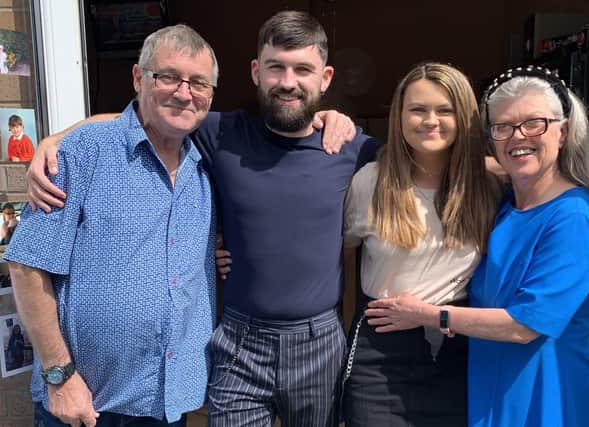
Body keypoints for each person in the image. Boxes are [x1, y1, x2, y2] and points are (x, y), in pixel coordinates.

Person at [24, 11, 378, 427]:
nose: (287, 81)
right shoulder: (218, 133)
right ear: (255, 71)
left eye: (303, 69)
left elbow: (422, 164)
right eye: (275, 67)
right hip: (238, 342)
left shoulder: (351, 146)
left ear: (326, 77)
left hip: (318, 341)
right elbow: (143, 117)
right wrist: (55, 141)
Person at [364, 66, 589, 427]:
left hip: (543, 391)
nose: (518, 137)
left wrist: (427, 314)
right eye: (503, 127)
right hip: (489, 383)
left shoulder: (573, 216)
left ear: (563, 132)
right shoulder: (504, 200)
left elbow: (524, 326)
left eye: (535, 123)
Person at [4, 24, 220, 427]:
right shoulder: (83, 153)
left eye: (199, 83)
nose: (184, 92)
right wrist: (59, 375)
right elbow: (26, 265)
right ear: (139, 78)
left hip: (167, 406)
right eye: (168, 77)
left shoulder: (210, 164)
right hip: (84, 404)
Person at [337, 62, 502, 426]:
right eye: (418, 109)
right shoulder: (371, 182)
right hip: (381, 353)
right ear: (398, 117)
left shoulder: (490, 185)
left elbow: (539, 226)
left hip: (461, 348)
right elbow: (328, 254)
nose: (431, 120)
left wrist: (584, 271)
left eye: (445, 110)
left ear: (465, 117)